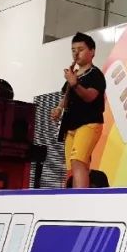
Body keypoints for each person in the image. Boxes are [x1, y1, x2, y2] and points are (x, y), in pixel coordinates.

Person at [50, 32, 106, 189]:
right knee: (71, 168)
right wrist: (59, 108)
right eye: (73, 50)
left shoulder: (95, 74)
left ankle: (79, 198)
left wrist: (75, 84)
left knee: (78, 162)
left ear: (92, 52)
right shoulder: (73, 74)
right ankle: (73, 197)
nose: (76, 53)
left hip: (88, 123)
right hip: (71, 126)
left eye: (80, 49)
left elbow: (90, 96)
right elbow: (67, 95)